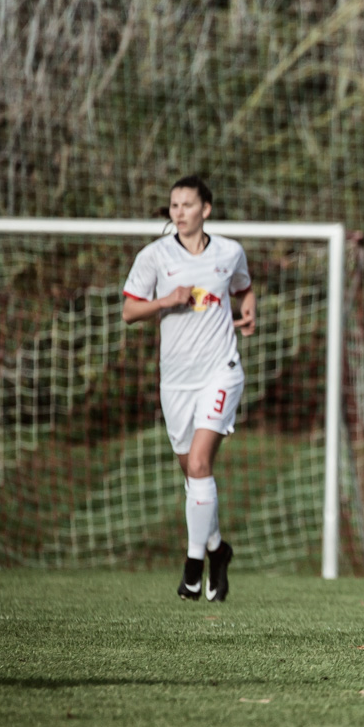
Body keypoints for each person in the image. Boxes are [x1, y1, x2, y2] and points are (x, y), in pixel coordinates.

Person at [121, 176, 256, 602]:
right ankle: (219, 550)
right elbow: (128, 310)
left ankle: (193, 566)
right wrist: (165, 301)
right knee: (192, 474)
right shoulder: (154, 257)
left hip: (221, 371)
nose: (178, 212)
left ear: (206, 210)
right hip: (176, 381)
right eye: (173, 205)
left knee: (199, 464)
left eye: (187, 204)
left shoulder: (229, 251)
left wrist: (249, 307)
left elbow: (243, 285)